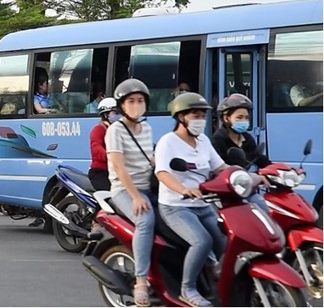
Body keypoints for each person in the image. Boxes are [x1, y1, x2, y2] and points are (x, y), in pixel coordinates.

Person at [155, 93, 249, 307]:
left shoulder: (203, 140)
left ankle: (222, 286)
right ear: (181, 117)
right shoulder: (167, 142)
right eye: (195, 115)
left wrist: (243, 176)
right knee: (201, 241)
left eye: (202, 116)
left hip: (203, 204)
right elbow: (162, 173)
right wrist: (183, 189)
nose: (200, 120)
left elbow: (220, 167)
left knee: (226, 243)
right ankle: (187, 290)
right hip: (176, 207)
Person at [105, 79, 156, 307]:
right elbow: (119, 167)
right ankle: (142, 281)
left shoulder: (146, 128)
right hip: (124, 190)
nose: (136, 105)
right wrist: (135, 197)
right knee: (145, 221)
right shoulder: (115, 130)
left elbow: (151, 159)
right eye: (131, 101)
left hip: (150, 187)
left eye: (140, 101)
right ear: (122, 105)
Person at [211, 93, 270, 212]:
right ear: (226, 118)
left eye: (246, 118)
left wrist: (274, 170)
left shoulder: (247, 138)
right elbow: (218, 169)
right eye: (239, 117)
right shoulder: (218, 140)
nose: (244, 121)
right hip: (224, 194)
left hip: (244, 189)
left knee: (265, 210)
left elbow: (258, 158)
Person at [88, 98, 117, 192]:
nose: (118, 116)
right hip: (100, 173)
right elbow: (96, 147)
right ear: (105, 114)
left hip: (115, 172)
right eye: (114, 113)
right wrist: (110, 156)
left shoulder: (118, 130)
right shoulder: (99, 129)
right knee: (110, 197)